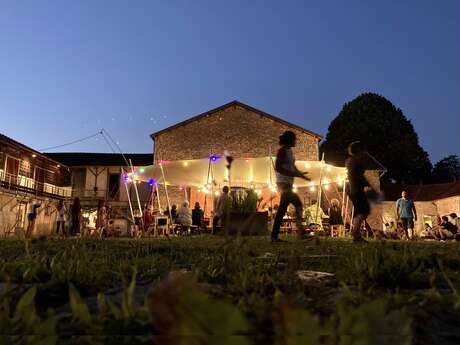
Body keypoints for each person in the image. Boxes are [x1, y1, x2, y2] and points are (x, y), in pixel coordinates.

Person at [271, 131, 310, 242]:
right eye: (294, 139)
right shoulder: (282, 151)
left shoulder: (289, 152)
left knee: (282, 210)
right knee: (298, 204)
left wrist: (301, 175)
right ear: (289, 140)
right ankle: (300, 233)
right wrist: (293, 174)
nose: (295, 141)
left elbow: (293, 167)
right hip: (283, 184)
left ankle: (274, 236)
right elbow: (277, 167)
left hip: (288, 183)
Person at [345, 141, 380, 242]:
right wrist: (369, 186)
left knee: (360, 211)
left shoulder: (351, 161)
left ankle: (356, 233)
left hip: (353, 189)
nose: (365, 152)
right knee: (363, 210)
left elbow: (358, 176)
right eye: (363, 150)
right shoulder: (355, 161)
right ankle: (355, 233)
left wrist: (368, 186)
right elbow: (358, 177)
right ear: (359, 150)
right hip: (356, 189)